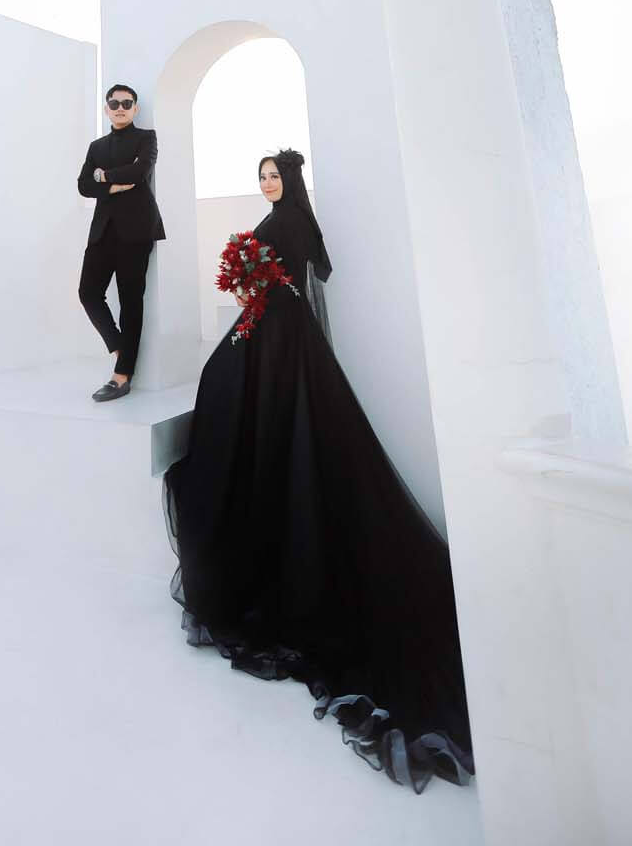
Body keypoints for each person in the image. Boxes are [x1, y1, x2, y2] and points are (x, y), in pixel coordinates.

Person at [163, 149, 473, 792]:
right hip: (271, 323)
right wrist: (251, 287)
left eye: (274, 175)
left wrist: (258, 286)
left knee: (244, 394)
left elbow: (303, 273)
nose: (267, 183)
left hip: (282, 330)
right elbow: (286, 275)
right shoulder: (280, 218)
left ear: (292, 179)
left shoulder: (293, 219)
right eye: (262, 177)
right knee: (223, 383)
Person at [77, 83, 165, 401]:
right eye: (114, 103)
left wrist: (102, 176)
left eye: (126, 103)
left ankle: (122, 376)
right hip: (103, 231)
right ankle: (119, 348)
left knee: (131, 302)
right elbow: (83, 185)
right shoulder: (96, 146)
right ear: (106, 109)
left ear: (135, 108)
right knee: (88, 292)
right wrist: (112, 185)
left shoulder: (147, 138)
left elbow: (140, 172)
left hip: (137, 232)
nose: (120, 108)